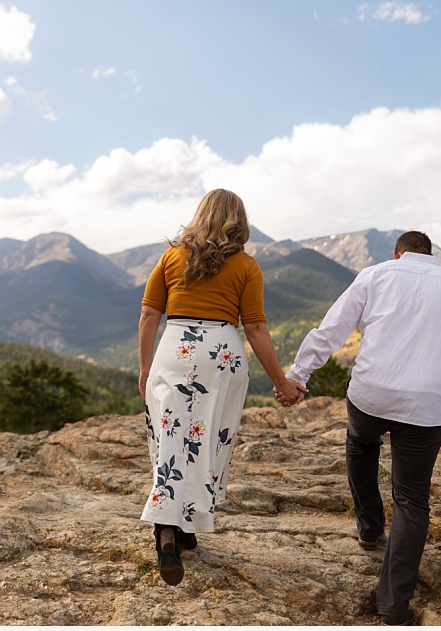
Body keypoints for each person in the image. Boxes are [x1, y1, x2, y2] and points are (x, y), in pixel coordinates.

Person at [281, 230, 441, 625]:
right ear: (432, 255)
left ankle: (369, 526)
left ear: (398, 254)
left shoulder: (375, 275)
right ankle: (393, 605)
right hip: (426, 405)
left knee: (361, 443)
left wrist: (298, 376)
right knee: (411, 499)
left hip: (371, 395)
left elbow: (331, 330)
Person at [138, 188, 305, 586]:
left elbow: (148, 314)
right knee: (209, 438)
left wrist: (145, 368)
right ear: (239, 222)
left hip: (174, 350)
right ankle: (189, 522)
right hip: (221, 356)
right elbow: (256, 328)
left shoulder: (171, 257)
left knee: (169, 437)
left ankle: (168, 526)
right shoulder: (247, 266)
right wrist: (281, 381)